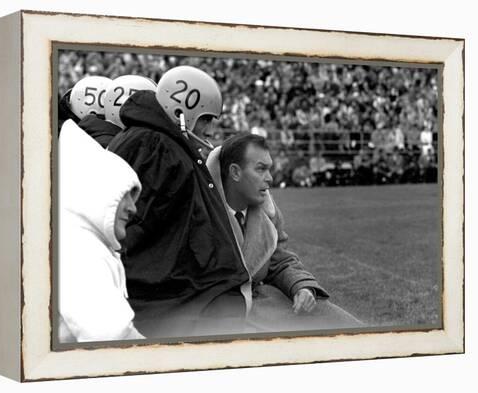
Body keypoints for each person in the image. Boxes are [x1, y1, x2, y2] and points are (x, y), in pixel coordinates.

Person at [107, 66, 251, 338]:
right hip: (169, 296)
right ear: (182, 111)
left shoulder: (157, 142)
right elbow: (137, 231)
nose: (209, 128)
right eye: (206, 118)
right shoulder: (155, 147)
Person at [206, 133, 363, 332]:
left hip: (262, 303)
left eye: (269, 169)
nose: (270, 178)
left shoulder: (267, 214)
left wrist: (300, 286)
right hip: (221, 314)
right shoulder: (202, 218)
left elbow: (279, 260)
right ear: (235, 172)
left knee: (345, 326)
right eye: (261, 169)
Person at [58, 119, 144, 343]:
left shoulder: (81, 240)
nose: (133, 208)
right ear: (98, 192)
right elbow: (113, 336)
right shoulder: (80, 250)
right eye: (124, 195)